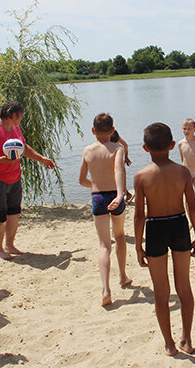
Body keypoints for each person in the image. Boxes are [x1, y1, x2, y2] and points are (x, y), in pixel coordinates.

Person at [133, 122, 195, 356]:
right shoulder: (182, 172)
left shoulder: (141, 176)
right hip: (179, 224)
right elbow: (193, 206)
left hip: (155, 229)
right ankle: (188, 339)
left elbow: (140, 215)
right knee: (184, 286)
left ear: (144, 147)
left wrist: (138, 246)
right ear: (172, 145)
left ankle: (169, 344)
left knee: (161, 292)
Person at [0, 101, 55, 260]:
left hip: (14, 177)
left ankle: (9, 244)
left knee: (14, 213)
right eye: (21, 114)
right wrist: (1, 160)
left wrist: (41, 159)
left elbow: (23, 148)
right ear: (13, 115)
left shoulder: (15, 128)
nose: (22, 117)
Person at [79, 113, 132, 306]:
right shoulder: (117, 148)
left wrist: (95, 184)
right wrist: (119, 194)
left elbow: (81, 180)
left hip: (98, 196)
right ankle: (123, 276)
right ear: (112, 130)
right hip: (114, 196)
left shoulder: (88, 150)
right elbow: (119, 169)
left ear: (93, 131)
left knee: (103, 245)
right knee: (119, 236)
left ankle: (105, 289)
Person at [109, 128, 134, 203]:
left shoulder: (113, 135)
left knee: (118, 178)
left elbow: (125, 145)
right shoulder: (113, 136)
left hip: (118, 162)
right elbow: (125, 145)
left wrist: (126, 157)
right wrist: (126, 157)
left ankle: (124, 194)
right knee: (118, 178)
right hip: (115, 161)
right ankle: (125, 193)